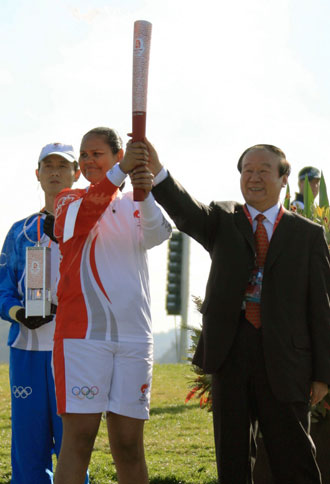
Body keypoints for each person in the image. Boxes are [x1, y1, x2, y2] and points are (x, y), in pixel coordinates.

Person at [147, 141, 330, 483]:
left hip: (286, 360)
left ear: (283, 178)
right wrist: (158, 172)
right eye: (247, 170)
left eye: (263, 170)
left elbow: (320, 307)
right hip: (230, 352)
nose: (254, 177)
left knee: (295, 458)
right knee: (232, 459)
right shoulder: (223, 218)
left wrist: (322, 373)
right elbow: (186, 211)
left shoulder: (308, 235)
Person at [52, 127, 172, 484]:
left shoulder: (134, 202)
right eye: (84, 156)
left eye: (97, 154)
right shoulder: (69, 200)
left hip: (135, 338)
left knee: (129, 445)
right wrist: (120, 174)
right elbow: (77, 221)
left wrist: (145, 189)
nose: (89, 161)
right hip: (83, 337)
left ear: (117, 155)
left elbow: (159, 233)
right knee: (79, 440)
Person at [0, 143, 85, 483]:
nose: (54, 172)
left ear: (76, 173)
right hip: (28, 351)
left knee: (73, 447)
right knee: (29, 448)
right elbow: (2, 290)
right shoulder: (20, 232)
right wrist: (21, 313)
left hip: (76, 351)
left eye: (62, 166)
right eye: (47, 166)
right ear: (37, 174)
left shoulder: (89, 227)